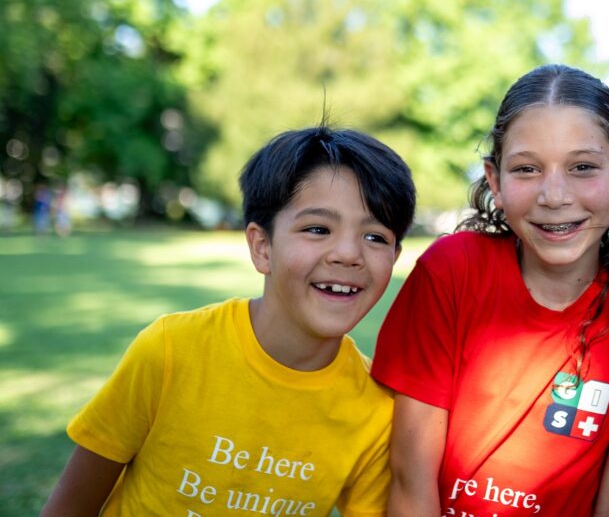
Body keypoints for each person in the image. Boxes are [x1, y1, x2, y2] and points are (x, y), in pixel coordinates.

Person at [371, 64, 609, 516]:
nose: (554, 195)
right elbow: (412, 484)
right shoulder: (451, 271)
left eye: (582, 167)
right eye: (527, 169)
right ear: (495, 181)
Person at [41, 125, 417, 516]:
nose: (348, 253)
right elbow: (70, 506)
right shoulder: (171, 350)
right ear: (262, 247)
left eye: (375, 237)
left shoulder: (376, 407)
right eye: (318, 229)